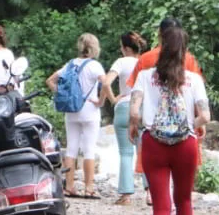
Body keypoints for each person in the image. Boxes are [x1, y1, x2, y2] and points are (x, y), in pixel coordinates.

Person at [129, 23, 210, 215]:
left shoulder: (144, 76)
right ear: (183, 50)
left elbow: (134, 111)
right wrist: (190, 126)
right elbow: (205, 116)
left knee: (161, 207)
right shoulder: (193, 79)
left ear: (161, 46)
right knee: (184, 200)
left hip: (154, 143)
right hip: (185, 145)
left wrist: (135, 126)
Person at [127, 17, 206, 202]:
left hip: (153, 128)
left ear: (159, 34)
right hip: (184, 128)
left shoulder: (146, 59)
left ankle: (151, 193)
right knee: (183, 197)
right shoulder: (189, 59)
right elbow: (197, 97)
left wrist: (133, 122)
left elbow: (134, 92)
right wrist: (199, 124)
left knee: (156, 174)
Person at [46, 33, 111, 199]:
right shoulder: (95, 65)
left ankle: (69, 187)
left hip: (71, 111)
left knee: (71, 148)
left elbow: (50, 81)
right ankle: (89, 188)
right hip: (89, 110)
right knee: (89, 150)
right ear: (95, 47)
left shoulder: (70, 64)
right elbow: (106, 83)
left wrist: (62, 94)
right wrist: (101, 101)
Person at [103, 31, 147, 205]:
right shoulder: (145, 63)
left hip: (123, 108)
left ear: (126, 48)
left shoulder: (121, 62)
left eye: (121, 47)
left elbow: (106, 82)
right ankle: (150, 194)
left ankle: (126, 195)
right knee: (145, 153)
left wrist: (114, 99)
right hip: (142, 109)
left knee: (125, 153)